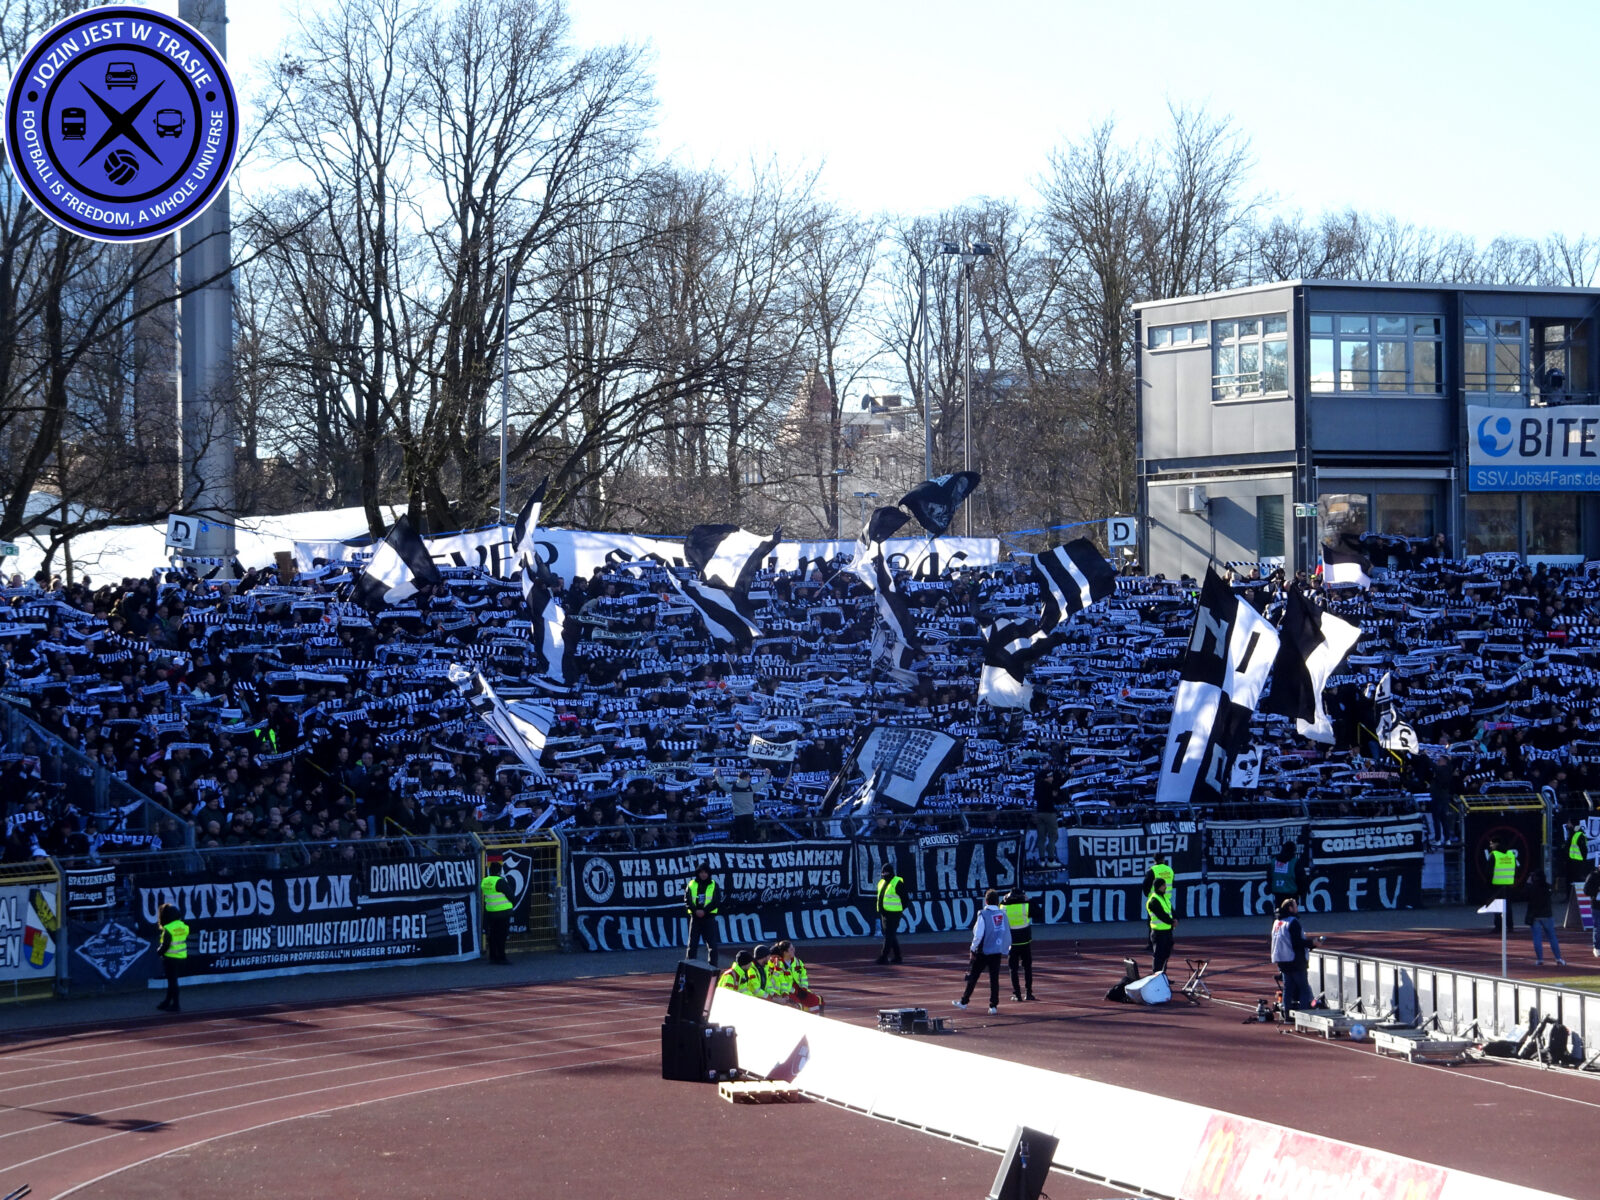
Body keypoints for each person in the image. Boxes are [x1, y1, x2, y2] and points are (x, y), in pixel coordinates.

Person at [953, 888, 1011, 1015]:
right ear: (997, 902)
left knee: (973, 977)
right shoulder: (1002, 915)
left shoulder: (983, 915)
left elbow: (978, 934)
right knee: (994, 979)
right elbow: (1006, 932)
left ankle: (964, 1001)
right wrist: (1005, 948)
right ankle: (993, 1006)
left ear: (986, 901)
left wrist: (972, 949)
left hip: (983, 951)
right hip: (996, 951)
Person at [1270, 899, 1318, 1014]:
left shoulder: (1277, 922)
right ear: (1290, 908)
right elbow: (1297, 943)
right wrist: (1312, 943)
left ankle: (1287, 1015)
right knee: (1304, 989)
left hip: (1282, 961)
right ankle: (1303, 1016)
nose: (1297, 909)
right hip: (1295, 961)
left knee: (1288, 989)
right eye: (1295, 906)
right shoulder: (1293, 922)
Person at [1002, 886, 1036, 1002]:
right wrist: (1028, 899)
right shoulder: (1026, 905)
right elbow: (1038, 912)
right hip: (1025, 941)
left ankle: (1017, 994)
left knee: (1013, 969)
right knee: (1027, 968)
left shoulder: (1004, 906)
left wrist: (1004, 900)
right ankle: (1028, 993)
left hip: (1012, 942)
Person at [1525, 870, 1566, 968]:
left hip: (1535, 915)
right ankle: (1558, 958)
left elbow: (1524, 895)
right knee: (1552, 937)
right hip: (1547, 915)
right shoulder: (1547, 887)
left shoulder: (1531, 888)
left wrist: (1528, 883)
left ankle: (1540, 959)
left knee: (1537, 938)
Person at [684, 862, 720, 967]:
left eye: (705, 872)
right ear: (698, 873)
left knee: (712, 945)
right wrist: (695, 911)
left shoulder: (714, 885)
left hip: (709, 918)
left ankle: (713, 968)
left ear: (709, 873)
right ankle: (689, 967)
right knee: (692, 945)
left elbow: (716, 901)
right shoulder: (691, 884)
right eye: (701, 872)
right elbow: (687, 900)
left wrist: (704, 911)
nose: (703, 874)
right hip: (695, 918)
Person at [480, 855, 514, 964]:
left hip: (490, 911)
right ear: (499, 871)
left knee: (492, 936)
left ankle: (493, 957)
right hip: (503, 912)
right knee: (501, 936)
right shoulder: (500, 881)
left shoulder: (484, 881)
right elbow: (511, 895)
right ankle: (501, 957)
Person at [155, 902, 189, 1013]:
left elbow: (166, 945)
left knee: (172, 982)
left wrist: (159, 952)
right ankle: (167, 1002)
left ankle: (176, 1005)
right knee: (172, 981)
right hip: (182, 957)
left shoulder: (168, 929)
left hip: (170, 958)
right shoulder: (183, 926)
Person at [715, 768, 758, 842]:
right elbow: (762, 783)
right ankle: (751, 848)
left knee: (740, 836)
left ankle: (740, 848)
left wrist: (717, 775)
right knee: (750, 835)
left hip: (738, 815)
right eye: (749, 777)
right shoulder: (751, 788)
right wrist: (767, 775)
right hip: (749, 815)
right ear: (745, 777)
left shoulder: (733, 787)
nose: (750, 779)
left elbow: (722, 784)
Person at [1486, 837, 1519, 934]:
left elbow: (1488, 871)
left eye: (1492, 843)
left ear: (1497, 844)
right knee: (1508, 906)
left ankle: (1498, 927)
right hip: (1508, 884)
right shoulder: (1511, 854)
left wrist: (1488, 884)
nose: (1490, 846)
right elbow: (1516, 869)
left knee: (1497, 906)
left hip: (1496, 884)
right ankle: (1510, 926)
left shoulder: (1494, 855)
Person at [780, 941, 824, 1013]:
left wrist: (804, 988)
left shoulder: (798, 962)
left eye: (793, 948)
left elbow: (804, 976)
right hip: (787, 992)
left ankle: (816, 1017)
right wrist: (795, 991)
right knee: (798, 1006)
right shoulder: (779, 965)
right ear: (785, 952)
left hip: (800, 990)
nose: (794, 950)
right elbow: (781, 983)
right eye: (791, 949)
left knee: (815, 1000)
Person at [875, 862, 905, 965]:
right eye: (883, 873)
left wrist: (899, 909)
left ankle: (883, 957)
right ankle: (898, 956)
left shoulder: (897, 882)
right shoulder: (881, 882)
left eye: (886, 873)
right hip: (884, 913)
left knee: (889, 935)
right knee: (890, 935)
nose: (884, 874)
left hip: (894, 913)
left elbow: (905, 899)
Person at [1147, 877, 1176, 976]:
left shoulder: (1165, 898)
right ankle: (1157, 977)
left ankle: (1163, 976)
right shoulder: (1153, 900)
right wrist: (1171, 921)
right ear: (1158, 886)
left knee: (1165, 955)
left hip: (1167, 931)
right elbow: (1161, 915)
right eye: (1163, 885)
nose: (1165, 887)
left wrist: (1176, 919)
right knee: (1159, 956)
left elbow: (1171, 911)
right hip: (1158, 932)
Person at [1268, 841, 1306, 912]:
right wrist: (1301, 891)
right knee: (1291, 913)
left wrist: (1271, 888)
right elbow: (1301, 878)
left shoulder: (1274, 861)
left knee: (1279, 911)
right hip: (1292, 892)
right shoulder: (1295, 862)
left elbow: (1269, 877)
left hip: (1277, 891)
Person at [1585, 866, 1600, 958]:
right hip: (1597, 905)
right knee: (1598, 927)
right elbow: (1586, 890)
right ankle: (1597, 947)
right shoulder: (1593, 875)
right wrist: (1597, 889)